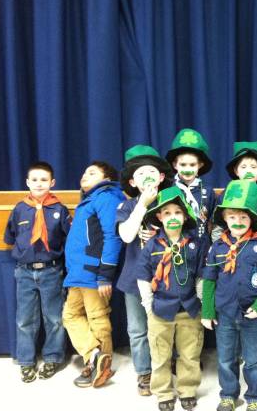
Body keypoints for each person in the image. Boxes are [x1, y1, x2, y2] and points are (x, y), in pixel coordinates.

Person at [202, 180, 257, 411]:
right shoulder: (217, 248)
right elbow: (209, 280)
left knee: (254, 359)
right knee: (225, 359)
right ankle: (228, 395)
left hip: (252, 315)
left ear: (252, 220)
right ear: (225, 218)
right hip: (225, 314)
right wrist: (207, 311)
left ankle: (255, 397)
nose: (238, 221)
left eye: (244, 217)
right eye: (233, 217)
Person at [212, 141, 257, 361]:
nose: (248, 171)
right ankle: (236, 350)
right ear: (236, 170)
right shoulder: (228, 192)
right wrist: (220, 250)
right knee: (232, 300)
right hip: (233, 259)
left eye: (253, 167)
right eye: (243, 166)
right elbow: (217, 227)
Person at [136, 187, 204, 411]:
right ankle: (163, 392)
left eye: (177, 212)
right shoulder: (152, 246)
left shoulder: (195, 244)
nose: (173, 217)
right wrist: (148, 307)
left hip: (190, 309)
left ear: (185, 216)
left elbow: (202, 275)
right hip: (160, 310)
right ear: (159, 217)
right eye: (167, 213)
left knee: (190, 354)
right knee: (160, 355)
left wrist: (201, 302)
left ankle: (187, 389)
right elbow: (143, 278)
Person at [4, 161, 71, 382]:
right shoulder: (19, 209)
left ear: (52, 183)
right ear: (27, 182)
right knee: (25, 319)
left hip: (51, 271)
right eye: (34, 180)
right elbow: (10, 236)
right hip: (24, 272)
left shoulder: (59, 210)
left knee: (54, 317)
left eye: (44, 180)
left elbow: (67, 239)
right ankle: (26, 360)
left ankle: (52, 357)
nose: (39, 184)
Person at [62, 161, 125, 387]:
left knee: (97, 318)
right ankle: (94, 355)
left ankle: (100, 366)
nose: (84, 175)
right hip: (78, 273)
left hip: (93, 272)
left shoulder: (107, 197)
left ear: (106, 179)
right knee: (70, 315)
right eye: (84, 171)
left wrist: (105, 274)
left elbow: (112, 236)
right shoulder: (88, 200)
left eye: (92, 172)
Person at [116, 145, 170, 396]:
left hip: (167, 277)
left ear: (161, 177)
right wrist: (143, 205)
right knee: (137, 330)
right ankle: (144, 372)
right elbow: (126, 235)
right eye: (140, 173)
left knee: (166, 326)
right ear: (132, 182)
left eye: (152, 171)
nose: (147, 176)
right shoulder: (127, 206)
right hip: (134, 278)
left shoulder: (171, 202)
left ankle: (166, 368)